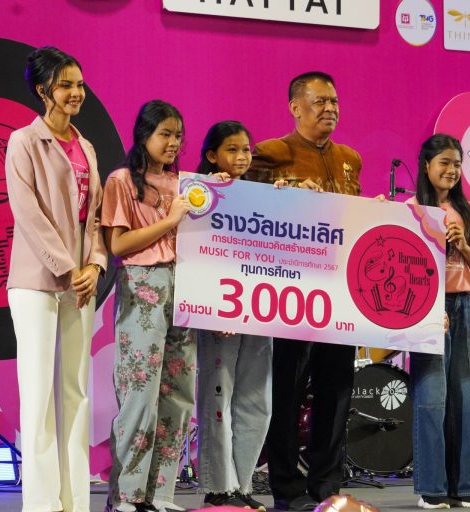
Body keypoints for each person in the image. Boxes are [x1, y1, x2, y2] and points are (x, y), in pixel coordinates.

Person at [246, 71, 362, 511]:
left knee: (336, 390)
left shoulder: (350, 158)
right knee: (287, 393)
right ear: (295, 107)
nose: (330, 108)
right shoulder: (271, 153)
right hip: (288, 293)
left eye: (334, 101)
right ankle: (287, 488)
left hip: (339, 293)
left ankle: (327, 485)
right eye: (320, 101)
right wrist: (285, 191)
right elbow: (238, 200)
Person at [5, 46, 107, 512]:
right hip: (37, 282)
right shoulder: (23, 142)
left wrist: (96, 265)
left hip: (81, 282)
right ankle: (43, 503)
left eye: (79, 84)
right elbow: (27, 212)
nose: (76, 92)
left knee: (76, 391)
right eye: (66, 84)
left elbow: (96, 217)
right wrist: (68, 267)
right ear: (43, 89)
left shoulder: (86, 147)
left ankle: (75, 501)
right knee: (38, 393)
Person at [101, 100, 195, 512]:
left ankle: (161, 494)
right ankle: (127, 495)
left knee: (179, 393)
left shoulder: (184, 184)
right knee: (139, 392)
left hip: (186, 286)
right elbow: (118, 245)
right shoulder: (122, 181)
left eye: (178, 136)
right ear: (144, 135)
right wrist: (169, 221)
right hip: (143, 285)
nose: (173, 143)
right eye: (165, 134)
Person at [407, 133, 470, 509]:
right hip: (426, 307)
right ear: (426, 165)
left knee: (464, 396)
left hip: (462, 306)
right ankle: (432, 488)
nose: (452, 170)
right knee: (431, 398)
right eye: (444, 162)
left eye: (457, 164)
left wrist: (461, 245)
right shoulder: (410, 210)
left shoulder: (468, 211)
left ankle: (464, 486)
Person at [194, 121, 275, 511]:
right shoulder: (199, 195)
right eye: (232, 149)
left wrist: (285, 198)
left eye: (246, 149)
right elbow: (200, 252)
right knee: (219, 395)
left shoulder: (260, 195)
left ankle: (241, 484)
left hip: (259, 308)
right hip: (220, 310)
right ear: (212, 155)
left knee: (257, 400)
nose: (242, 157)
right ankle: (218, 485)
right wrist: (214, 304)